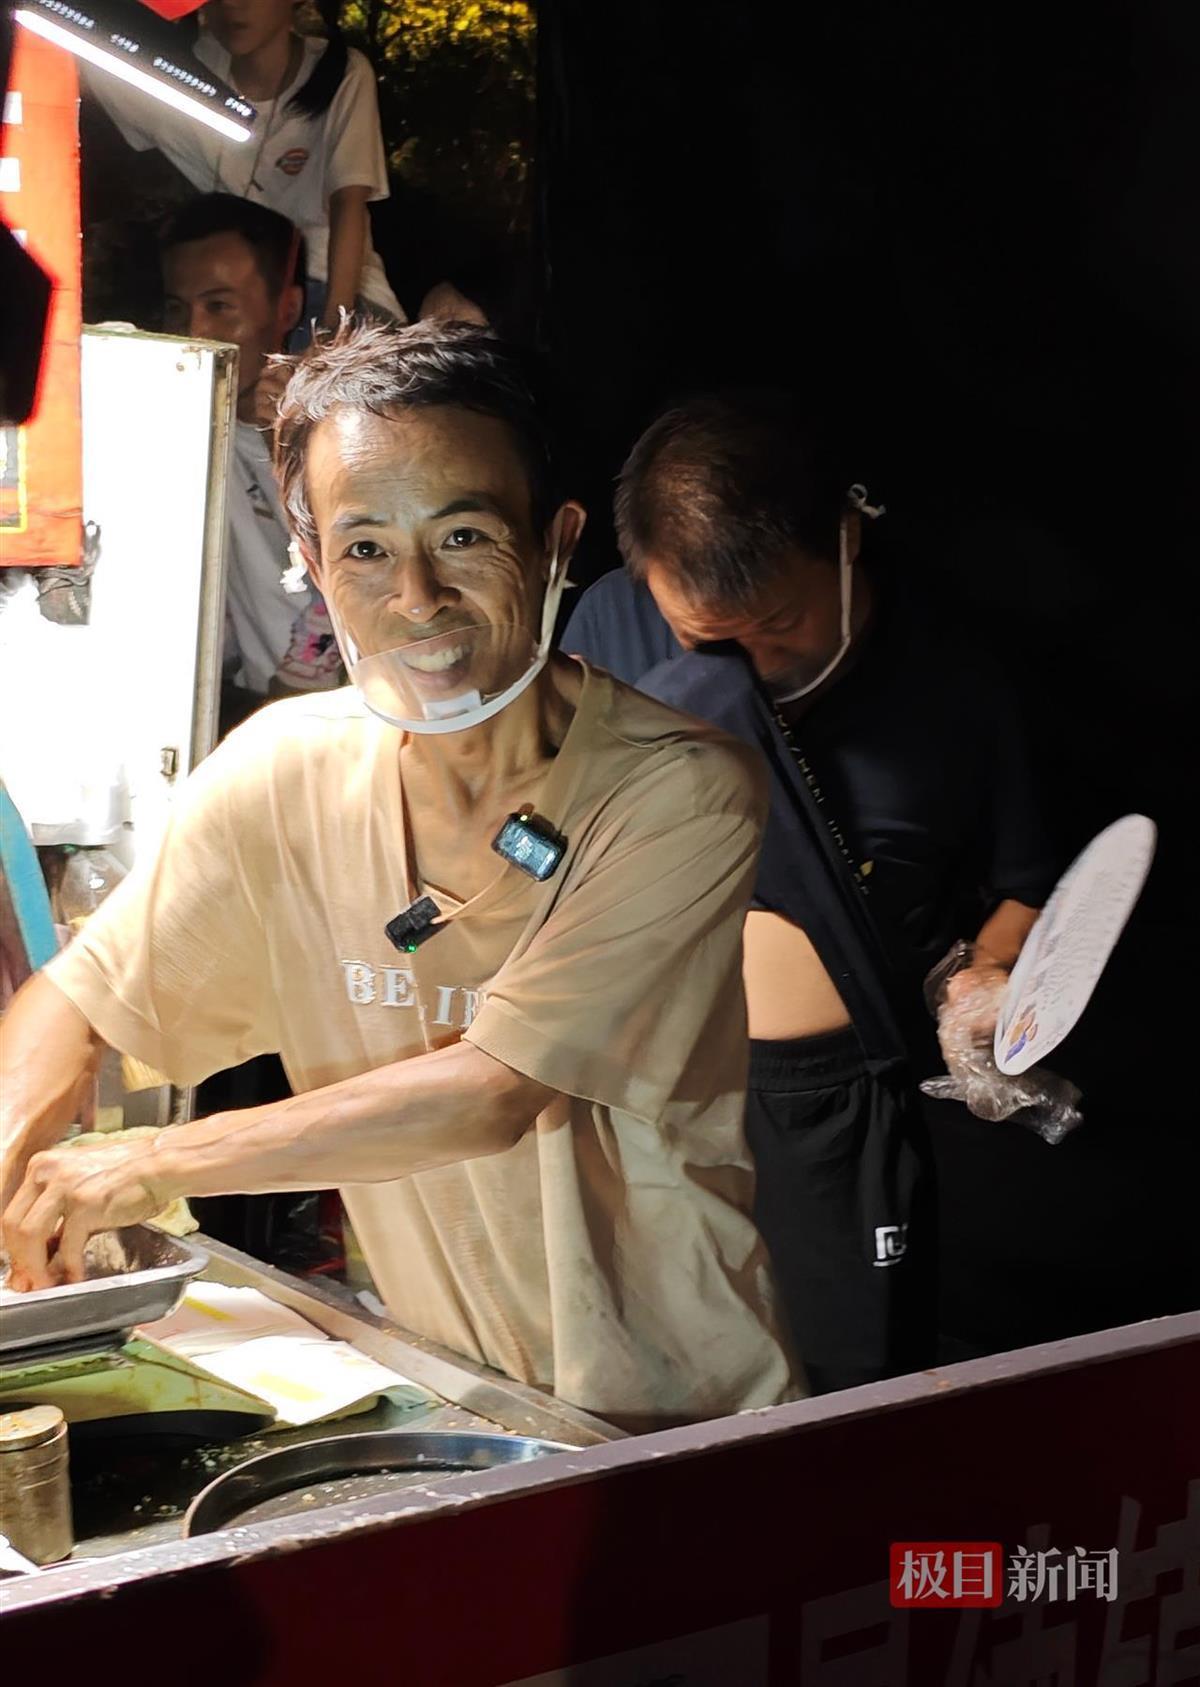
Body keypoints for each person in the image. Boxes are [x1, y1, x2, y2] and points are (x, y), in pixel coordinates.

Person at [0, 324, 801, 1431]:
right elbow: (80, 998)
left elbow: (491, 1092)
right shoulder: (287, 770)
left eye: (463, 535)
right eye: (366, 548)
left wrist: (146, 1163)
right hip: (448, 1386)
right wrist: (15, 1158)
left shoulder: (679, 789)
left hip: (670, 1409)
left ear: (556, 539)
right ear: (313, 556)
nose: (417, 598)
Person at [562, 391, 1056, 1392]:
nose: (749, 664)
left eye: (778, 623)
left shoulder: (953, 675)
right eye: (705, 637)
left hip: (845, 1107)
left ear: (845, 536)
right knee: (665, 1378)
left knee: (845, 1393)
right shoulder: (609, 628)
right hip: (651, 1096)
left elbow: (1029, 880)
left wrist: (989, 982)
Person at [84, 0, 403, 331]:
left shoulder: (342, 72)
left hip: (333, 288)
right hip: (234, 291)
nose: (233, 5)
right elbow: (91, 60)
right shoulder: (187, 69)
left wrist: (334, 328)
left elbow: (348, 202)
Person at [160, 193, 344, 728]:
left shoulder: (330, 430)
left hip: (338, 720)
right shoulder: (177, 426)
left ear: (287, 309)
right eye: (177, 309)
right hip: (244, 712)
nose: (194, 332)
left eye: (219, 307)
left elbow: (359, 570)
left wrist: (286, 449)